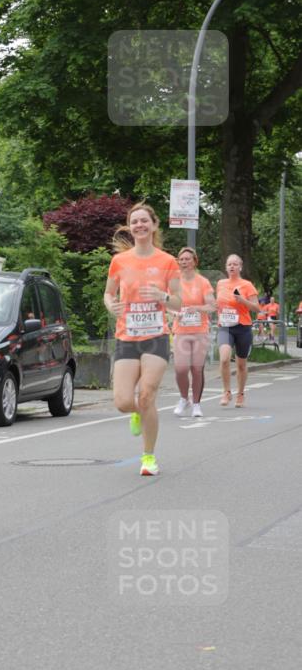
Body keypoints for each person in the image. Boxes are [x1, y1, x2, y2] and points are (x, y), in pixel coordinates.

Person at [103, 203, 182, 476]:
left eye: (144, 221)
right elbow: (108, 293)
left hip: (156, 336)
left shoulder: (167, 261)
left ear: (154, 225)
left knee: (147, 394)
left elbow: (179, 301)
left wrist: (163, 297)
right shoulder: (120, 261)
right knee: (123, 401)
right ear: (130, 226)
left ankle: (148, 457)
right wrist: (110, 305)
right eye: (134, 221)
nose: (139, 225)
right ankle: (137, 411)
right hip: (127, 337)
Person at [170, 247, 215, 418]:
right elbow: (168, 304)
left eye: (188, 259)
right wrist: (176, 313)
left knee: (197, 369)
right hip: (181, 330)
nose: (184, 262)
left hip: (199, 331)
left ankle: (197, 404)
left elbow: (212, 305)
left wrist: (196, 308)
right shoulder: (174, 282)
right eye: (181, 259)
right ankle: (184, 399)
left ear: (195, 261)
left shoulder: (203, 282)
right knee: (181, 369)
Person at [215, 254, 259, 408]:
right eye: (229, 264)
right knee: (224, 358)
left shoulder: (247, 285)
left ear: (240, 267)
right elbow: (218, 303)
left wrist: (242, 300)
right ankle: (226, 392)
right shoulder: (220, 283)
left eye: (235, 264)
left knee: (241, 364)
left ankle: (240, 394)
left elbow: (256, 307)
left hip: (243, 327)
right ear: (226, 267)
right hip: (225, 327)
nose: (232, 267)